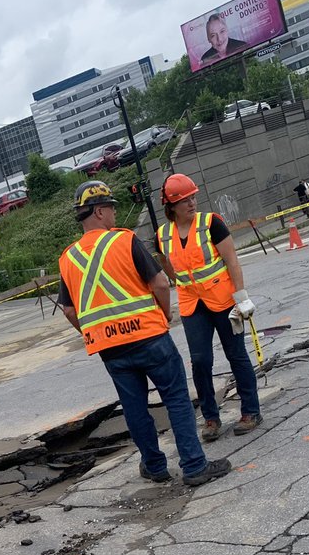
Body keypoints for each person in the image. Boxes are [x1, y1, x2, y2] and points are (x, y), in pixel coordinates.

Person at [58, 181, 232, 487]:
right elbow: (161, 283)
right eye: (110, 207)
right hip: (150, 338)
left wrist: (95, 331)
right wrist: (163, 315)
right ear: (98, 211)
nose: (114, 213)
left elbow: (70, 310)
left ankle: (154, 466)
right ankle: (194, 466)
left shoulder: (68, 258)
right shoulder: (124, 241)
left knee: (134, 407)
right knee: (176, 398)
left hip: (111, 348)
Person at [157, 174, 263, 444]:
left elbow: (232, 261)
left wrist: (241, 298)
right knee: (201, 361)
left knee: (236, 354)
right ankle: (211, 418)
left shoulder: (211, 223)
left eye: (193, 197)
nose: (191, 203)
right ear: (171, 204)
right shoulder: (163, 234)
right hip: (193, 305)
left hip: (223, 300)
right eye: (184, 200)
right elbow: (169, 268)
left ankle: (251, 411)